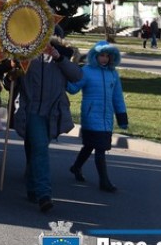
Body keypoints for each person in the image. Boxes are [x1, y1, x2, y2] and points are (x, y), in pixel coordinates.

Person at [12, 25, 83, 213]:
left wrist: (59, 58)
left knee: (37, 150)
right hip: (32, 111)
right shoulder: (27, 55)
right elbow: (11, 79)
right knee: (40, 150)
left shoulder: (63, 56)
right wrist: (12, 71)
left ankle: (32, 185)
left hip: (53, 113)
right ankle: (44, 194)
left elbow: (77, 76)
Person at [67, 41, 128, 192]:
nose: (105, 59)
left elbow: (117, 97)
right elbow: (73, 89)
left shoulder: (113, 74)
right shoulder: (86, 71)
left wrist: (122, 117)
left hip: (107, 117)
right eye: (102, 55)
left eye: (108, 56)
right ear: (95, 55)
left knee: (89, 146)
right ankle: (104, 181)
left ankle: (76, 167)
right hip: (90, 115)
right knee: (100, 148)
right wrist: (63, 78)